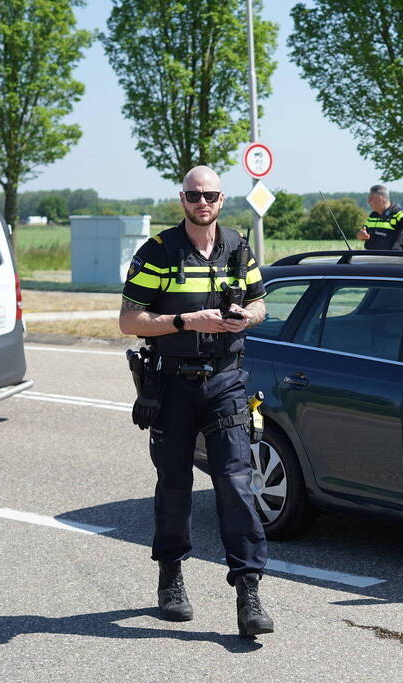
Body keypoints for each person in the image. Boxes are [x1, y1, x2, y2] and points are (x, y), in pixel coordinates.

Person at [118, 165, 274, 638]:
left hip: (226, 381)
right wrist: (188, 322)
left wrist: (245, 316)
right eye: (193, 195)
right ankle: (171, 578)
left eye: (210, 195)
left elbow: (262, 303)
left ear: (222, 200)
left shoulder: (238, 247)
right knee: (174, 485)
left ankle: (248, 591)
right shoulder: (159, 252)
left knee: (235, 483)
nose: (201, 202)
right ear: (181, 199)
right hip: (172, 384)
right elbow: (130, 320)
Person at [355, 184, 403, 250]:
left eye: (370, 199)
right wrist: (361, 235)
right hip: (372, 259)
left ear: (380, 199)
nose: (368, 201)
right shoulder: (373, 216)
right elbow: (361, 234)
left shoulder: (396, 213)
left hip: (391, 260)